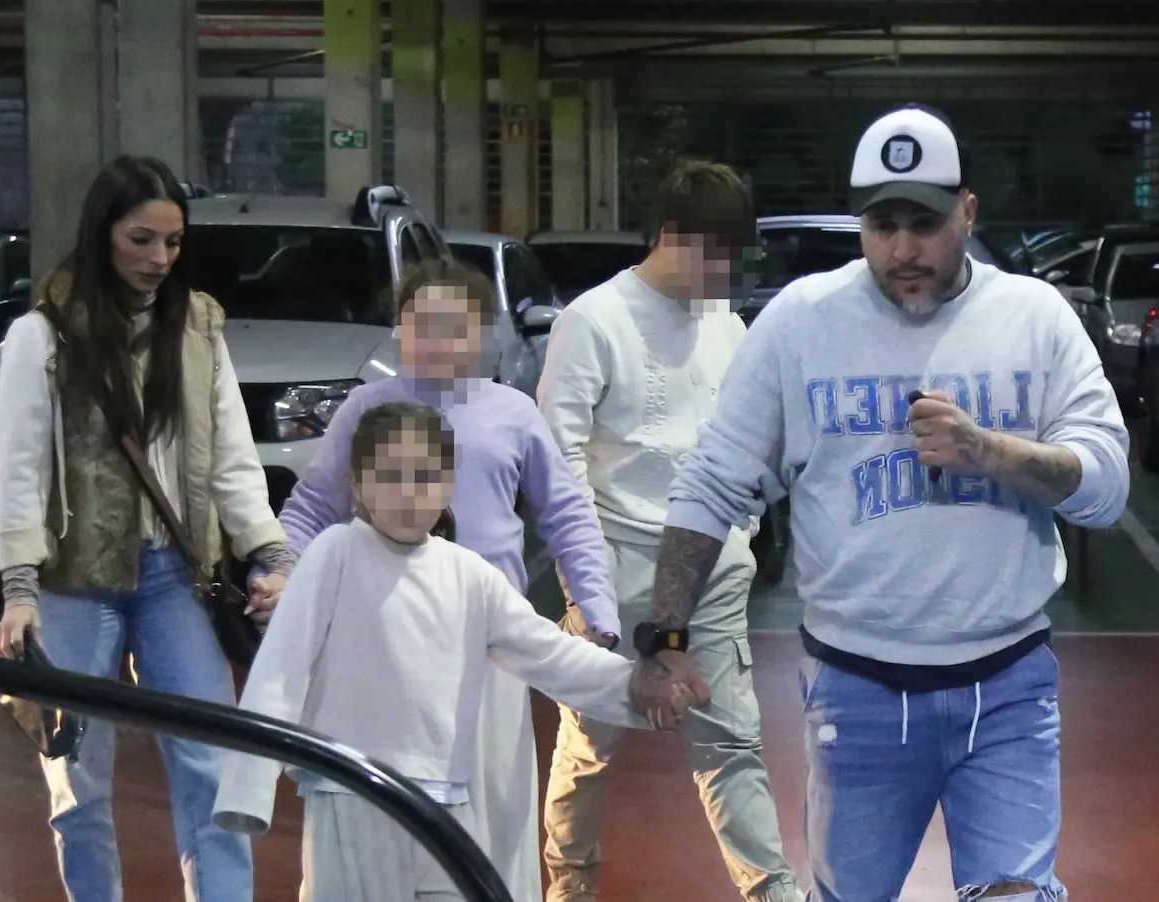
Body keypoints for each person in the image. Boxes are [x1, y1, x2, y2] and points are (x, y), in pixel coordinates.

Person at [631, 105, 1130, 902]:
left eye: (924, 224)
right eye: (881, 225)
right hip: (856, 692)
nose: (902, 250)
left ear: (968, 211)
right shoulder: (801, 323)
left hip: (1007, 687)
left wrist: (989, 451)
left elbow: (1106, 486)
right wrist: (665, 633)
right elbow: (712, 480)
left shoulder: (1034, 317)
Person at [211, 401, 689, 901]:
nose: (409, 493)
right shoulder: (333, 555)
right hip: (347, 796)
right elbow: (281, 668)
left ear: (448, 484)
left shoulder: (470, 575)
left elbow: (551, 655)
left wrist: (637, 686)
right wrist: (249, 787)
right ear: (357, 484)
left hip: (444, 803)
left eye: (425, 477)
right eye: (390, 476)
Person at [252, 258, 621, 902]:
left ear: (485, 333)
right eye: (422, 323)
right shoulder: (367, 408)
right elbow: (312, 506)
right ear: (400, 328)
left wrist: (593, 605)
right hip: (380, 640)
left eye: (457, 326)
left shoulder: (514, 412)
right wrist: (281, 573)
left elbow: (566, 514)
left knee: (495, 807)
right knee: (372, 807)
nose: (439, 340)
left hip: (492, 642)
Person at [0, 155, 292, 902]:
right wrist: (19, 588)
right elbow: (18, 467)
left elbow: (230, 455)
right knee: (75, 775)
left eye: (173, 242)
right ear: (103, 234)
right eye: (141, 239)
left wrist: (269, 552)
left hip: (174, 578)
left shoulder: (199, 327)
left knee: (212, 762)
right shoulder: (44, 335)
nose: (160, 258)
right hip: (72, 582)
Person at [537, 160, 803, 902]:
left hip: (711, 565)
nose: (722, 275)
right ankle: (569, 885)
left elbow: (749, 443)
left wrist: (744, 530)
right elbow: (557, 460)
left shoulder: (728, 325)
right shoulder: (593, 320)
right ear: (669, 236)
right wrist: (586, 587)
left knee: (732, 741)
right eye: (712, 257)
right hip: (614, 563)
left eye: (732, 259)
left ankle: (773, 890)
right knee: (589, 744)